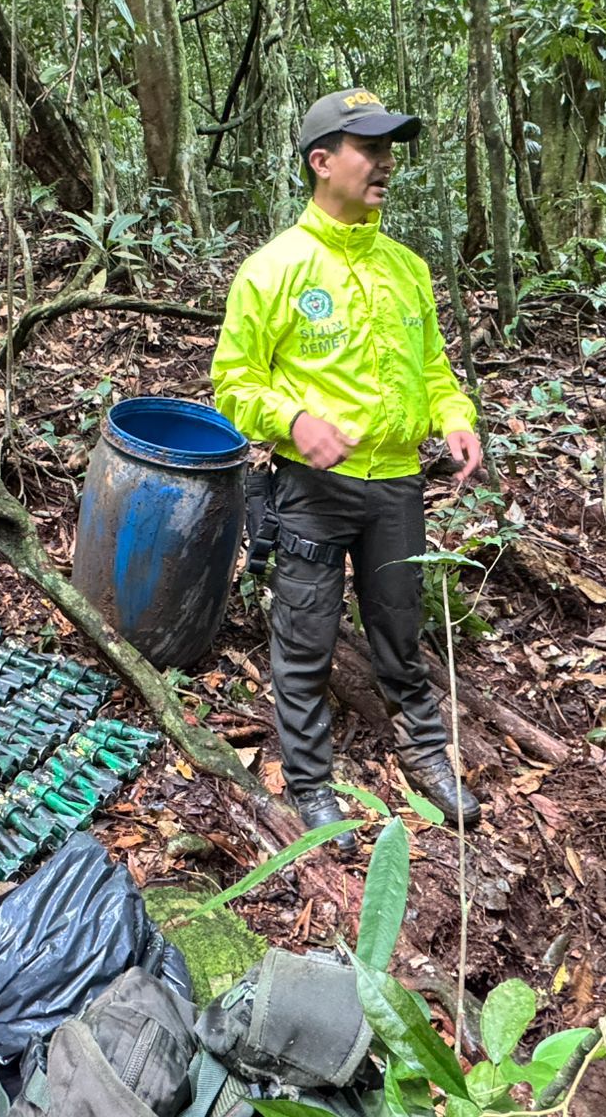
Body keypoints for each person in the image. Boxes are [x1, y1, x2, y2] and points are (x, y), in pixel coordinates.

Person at [212, 88, 485, 848]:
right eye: (370, 148)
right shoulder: (275, 269)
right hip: (312, 487)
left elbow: (433, 367)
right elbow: (233, 384)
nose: (386, 162)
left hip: (397, 483)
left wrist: (455, 418)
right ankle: (311, 785)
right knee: (304, 641)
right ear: (322, 161)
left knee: (400, 627)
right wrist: (294, 422)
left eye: (390, 148)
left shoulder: (407, 268)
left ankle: (425, 755)